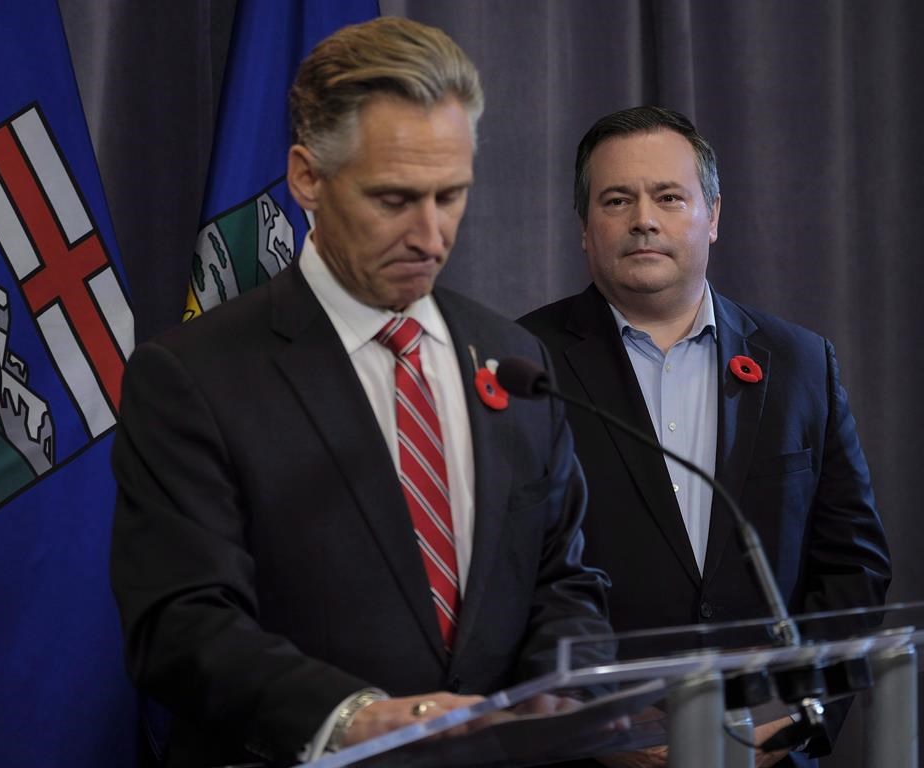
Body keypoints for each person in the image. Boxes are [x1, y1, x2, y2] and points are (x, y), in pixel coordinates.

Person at [110, 17, 612, 768]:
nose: (430, 234)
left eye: (451, 195)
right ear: (308, 177)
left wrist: (553, 695)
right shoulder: (193, 377)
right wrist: (354, 719)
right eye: (393, 198)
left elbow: (563, 577)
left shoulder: (514, 357)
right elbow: (182, 625)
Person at [519, 106, 892, 766]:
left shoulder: (801, 362)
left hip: (766, 747)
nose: (644, 219)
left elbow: (853, 569)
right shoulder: (524, 364)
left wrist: (800, 717)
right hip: (592, 753)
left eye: (668, 196)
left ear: (712, 216)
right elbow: (501, 581)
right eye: (616, 199)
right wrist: (586, 724)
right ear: (584, 227)